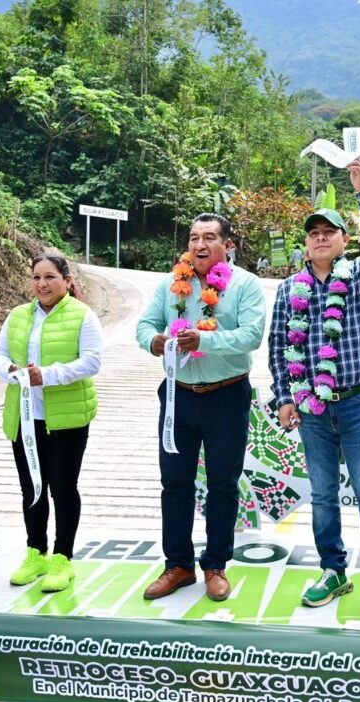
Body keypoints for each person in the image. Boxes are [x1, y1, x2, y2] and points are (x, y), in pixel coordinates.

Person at [269, 158, 360, 620]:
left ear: (344, 241)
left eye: (330, 231)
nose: (321, 237)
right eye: (313, 232)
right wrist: (285, 397)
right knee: (322, 494)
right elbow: (280, 345)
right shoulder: (289, 291)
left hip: (359, 400)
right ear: (306, 244)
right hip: (311, 407)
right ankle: (333, 570)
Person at [136, 212, 265, 602]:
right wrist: (154, 341)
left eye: (209, 237)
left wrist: (203, 342)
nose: (199, 245)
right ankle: (178, 565)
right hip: (178, 396)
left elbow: (251, 335)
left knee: (222, 483)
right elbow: (144, 325)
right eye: (194, 237)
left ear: (228, 245)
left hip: (227, 395)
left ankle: (216, 565)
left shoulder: (245, 285)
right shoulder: (171, 283)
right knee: (174, 481)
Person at [0, 255, 103, 592]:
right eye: (37, 277)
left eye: (50, 277)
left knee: (62, 488)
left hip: (67, 419)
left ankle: (62, 558)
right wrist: (10, 372)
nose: (42, 284)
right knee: (32, 488)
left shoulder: (83, 316)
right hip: (25, 419)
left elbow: (92, 361)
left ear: (67, 281)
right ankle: (36, 552)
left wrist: (48, 375)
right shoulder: (17, 316)